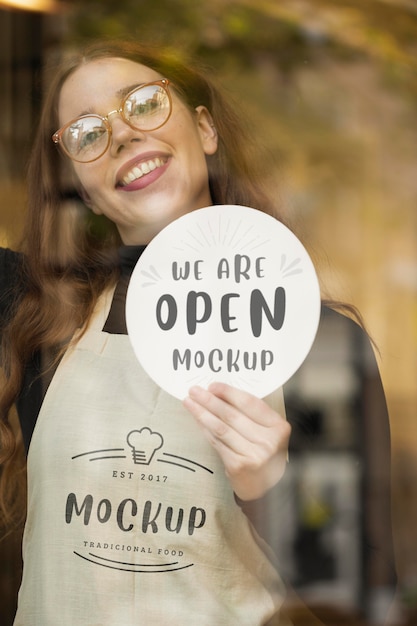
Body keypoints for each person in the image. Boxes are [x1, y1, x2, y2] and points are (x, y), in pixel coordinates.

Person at [0, 40, 395, 625]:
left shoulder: (319, 342)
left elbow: (365, 592)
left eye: (143, 103)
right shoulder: (35, 312)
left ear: (205, 130)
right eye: (86, 134)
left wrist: (271, 488)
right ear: (79, 188)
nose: (123, 135)